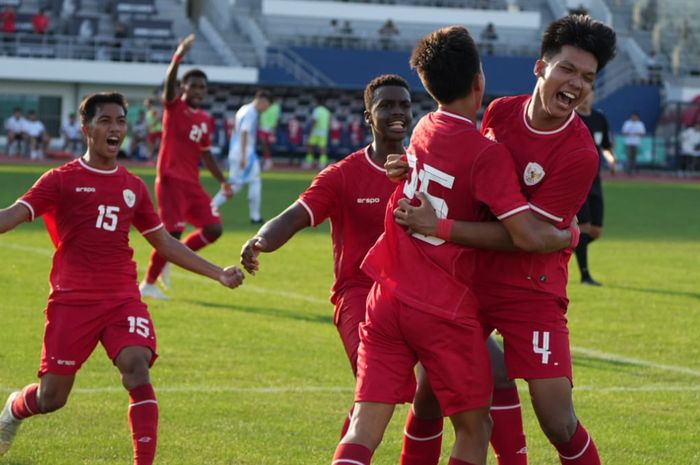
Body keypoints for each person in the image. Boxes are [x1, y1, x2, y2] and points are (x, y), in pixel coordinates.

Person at [334, 26, 578, 465]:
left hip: (386, 295)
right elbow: (525, 234)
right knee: (474, 427)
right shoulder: (486, 154)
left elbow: (429, 168)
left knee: (364, 425)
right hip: (440, 305)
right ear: (479, 82)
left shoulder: (424, 128)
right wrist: (567, 234)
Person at [390, 15, 616, 465]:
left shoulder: (579, 153)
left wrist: (442, 227)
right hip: (470, 281)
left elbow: (528, 239)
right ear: (540, 68)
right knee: (430, 394)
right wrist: (412, 168)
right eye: (567, 70)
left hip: (530, 291)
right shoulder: (498, 113)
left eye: (588, 78)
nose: (576, 84)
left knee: (558, 421)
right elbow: (467, 178)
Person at [0, 92, 244, 464]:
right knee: (52, 398)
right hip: (72, 301)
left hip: (121, 299)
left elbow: (163, 242)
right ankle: (14, 409)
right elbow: (11, 217)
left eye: (120, 121)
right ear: (86, 129)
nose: (115, 129)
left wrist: (218, 273)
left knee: (137, 366)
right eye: (105, 121)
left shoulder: (133, 186)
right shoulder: (60, 180)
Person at [140, 34, 233, 300]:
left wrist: (222, 181)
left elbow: (207, 155)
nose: (198, 91)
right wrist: (178, 55)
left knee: (214, 229)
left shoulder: (205, 120)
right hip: (170, 179)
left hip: (192, 183)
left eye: (202, 88)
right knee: (172, 232)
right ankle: (147, 283)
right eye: (193, 86)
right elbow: (169, 84)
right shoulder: (174, 107)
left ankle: (170, 259)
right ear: (183, 89)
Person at [574, 90, 616, 286]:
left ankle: (566, 247)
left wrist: (612, 160)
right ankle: (585, 276)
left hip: (596, 181)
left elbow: (606, 146)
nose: (586, 96)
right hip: (578, 180)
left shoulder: (600, 118)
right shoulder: (571, 118)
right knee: (583, 227)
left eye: (589, 92)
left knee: (596, 231)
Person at [211, 90, 272, 224]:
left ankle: (211, 207)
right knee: (253, 181)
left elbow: (236, 131)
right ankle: (254, 216)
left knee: (237, 185)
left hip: (236, 150)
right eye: (267, 106)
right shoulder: (251, 113)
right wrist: (244, 156)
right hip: (245, 152)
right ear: (263, 101)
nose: (266, 109)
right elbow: (244, 132)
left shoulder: (243, 109)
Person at [303, 97, 331, 169]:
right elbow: (329, 124)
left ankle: (309, 162)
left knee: (310, 147)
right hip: (323, 133)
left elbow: (314, 121)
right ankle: (322, 163)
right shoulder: (327, 111)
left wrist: (311, 131)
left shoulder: (317, 110)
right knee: (323, 148)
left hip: (315, 131)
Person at [258, 98, 281, 170]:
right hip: (263, 128)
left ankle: (268, 160)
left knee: (268, 146)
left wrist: (274, 129)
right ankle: (267, 160)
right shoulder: (263, 106)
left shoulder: (276, 107)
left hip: (271, 129)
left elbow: (278, 119)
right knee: (264, 145)